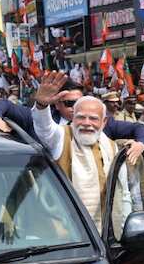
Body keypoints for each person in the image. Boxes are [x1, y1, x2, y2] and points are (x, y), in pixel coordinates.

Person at [31, 71, 131, 231]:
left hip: (105, 237)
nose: (86, 123)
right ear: (73, 118)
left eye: (93, 118)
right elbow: (45, 128)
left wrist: (125, 232)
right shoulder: (62, 137)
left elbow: (124, 194)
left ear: (104, 122)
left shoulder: (112, 148)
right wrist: (42, 106)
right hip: (67, 236)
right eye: (81, 117)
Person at [0, 78, 144, 164]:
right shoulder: (39, 119)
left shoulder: (100, 124)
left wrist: (141, 143)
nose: (76, 108)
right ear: (56, 104)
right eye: (70, 103)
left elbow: (138, 128)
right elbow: (3, 104)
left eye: (79, 102)